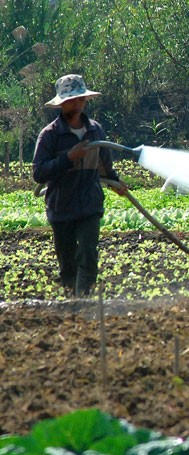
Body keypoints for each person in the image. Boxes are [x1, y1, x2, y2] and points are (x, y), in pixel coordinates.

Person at [32, 74, 127, 297]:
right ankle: (72, 303)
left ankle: (84, 302)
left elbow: (105, 166)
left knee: (88, 255)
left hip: (89, 205)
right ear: (62, 103)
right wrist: (68, 158)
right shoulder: (50, 135)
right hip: (61, 207)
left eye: (80, 100)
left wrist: (116, 183)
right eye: (72, 100)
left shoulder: (96, 131)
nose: (77, 104)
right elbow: (39, 173)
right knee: (67, 262)